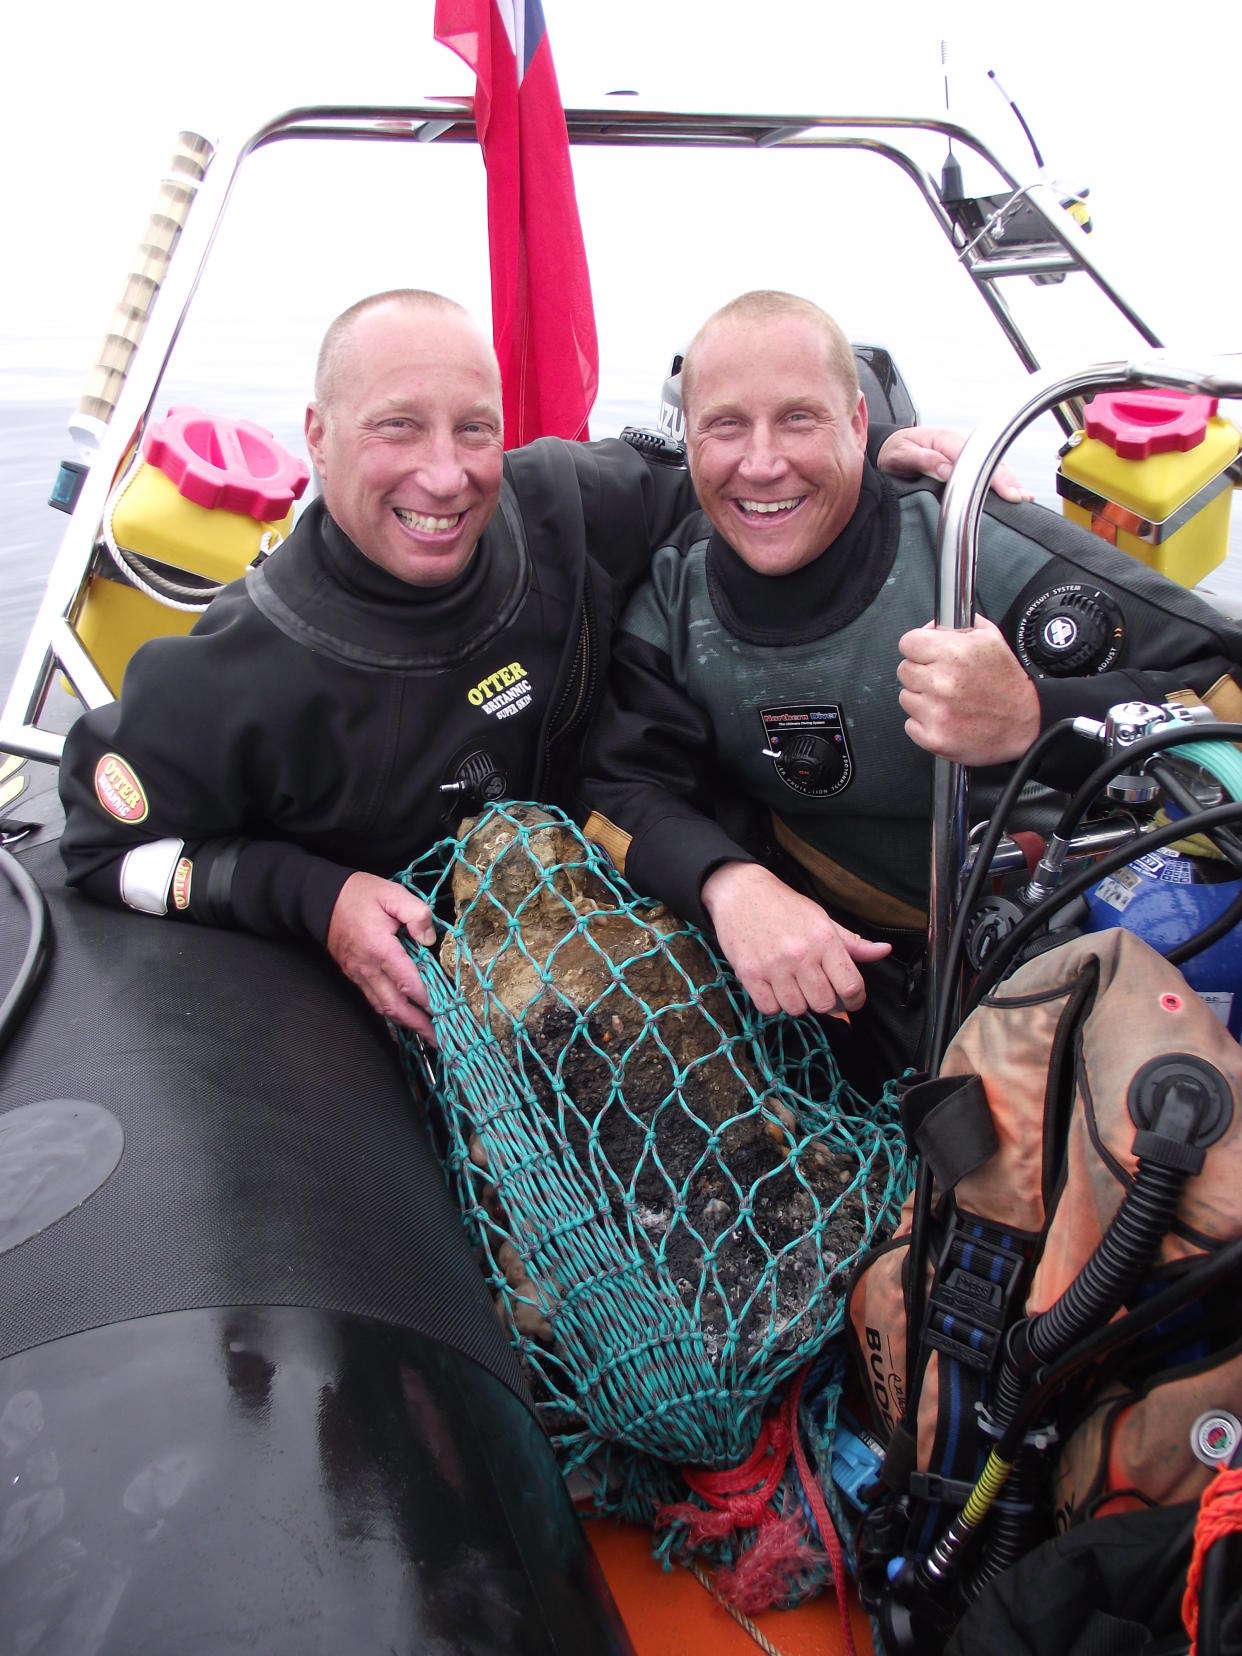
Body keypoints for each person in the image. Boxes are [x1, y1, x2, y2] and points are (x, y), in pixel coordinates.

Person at [57, 288, 982, 1039]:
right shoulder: (240, 670)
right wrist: (314, 896)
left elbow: (738, 487)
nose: (446, 475)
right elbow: (105, 849)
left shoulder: (565, 509)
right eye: (397, 428)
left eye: (474, 429)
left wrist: (869, 474)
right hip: (421, 1011)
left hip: (632, 900)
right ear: (317, 435)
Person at [576, 290, 1242, 1084]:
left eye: (799, 419)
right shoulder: (675, 601)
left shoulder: (975, 547)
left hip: (1065, 941)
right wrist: (728, 882)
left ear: (859, 426)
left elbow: (1220, 685)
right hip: (849, 976)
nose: (761, 463)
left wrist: (1036, 717)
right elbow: (619, 786)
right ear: (689, 437)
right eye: (726, 425)